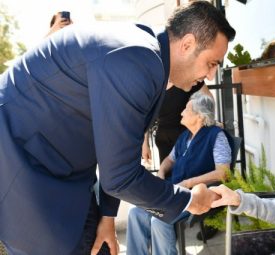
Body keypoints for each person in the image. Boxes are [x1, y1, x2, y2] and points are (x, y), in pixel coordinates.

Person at [0, 1, 235, 255]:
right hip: (21, 162)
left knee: (99, 246)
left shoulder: (149, 57)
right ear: (187, 44)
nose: (211, 76)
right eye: (212, 63)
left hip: (63, 168)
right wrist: (188, 200)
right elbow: (121, 177)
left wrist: (108, 218)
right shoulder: (136, 60)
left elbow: (123, 154)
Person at [127, 91, 232, 255]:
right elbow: (170, 159)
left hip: (197, 195)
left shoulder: (216, 136)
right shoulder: (185, 137)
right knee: (135, 213)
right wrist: (161, 173)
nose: (181, 112)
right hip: (175, 191)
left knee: (159, 220)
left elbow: (223, 173)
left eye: (186, 109)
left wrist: (190, 183)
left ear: (200, 116)